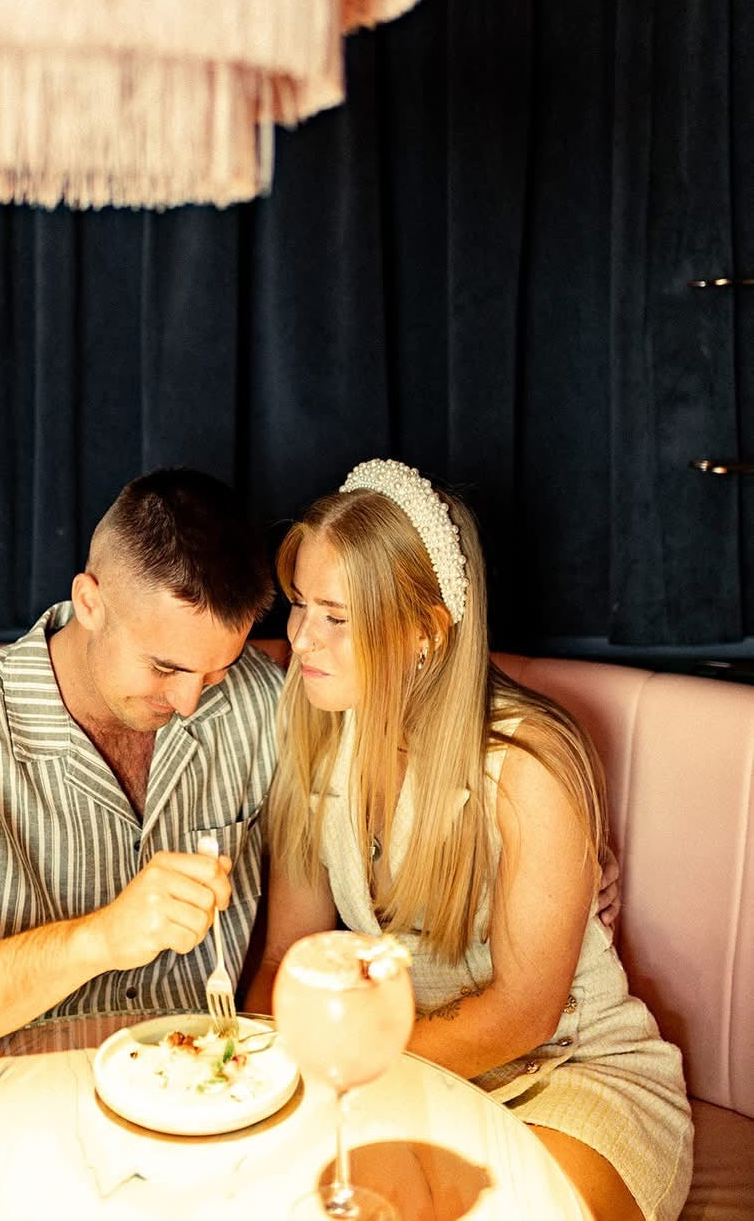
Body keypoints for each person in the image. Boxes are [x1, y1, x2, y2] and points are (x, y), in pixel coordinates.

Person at [245, 459, 692, 1221]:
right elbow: (289, 959)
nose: (299, 638)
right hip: (404, 1076)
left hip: (567, 1074)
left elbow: (524, 1014)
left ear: (426, 630)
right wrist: (260, 1075)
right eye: (297, 605)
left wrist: (337, 1070)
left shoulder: (525, 765)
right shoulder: (318, 740)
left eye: (335, 616)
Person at [0, 467, 282, 1064]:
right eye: (165, 668)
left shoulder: (261, 699)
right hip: (17, 1106)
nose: (187, 703)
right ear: (89, 601)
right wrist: (100, 938)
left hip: (209, 1095)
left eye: (213, 672)